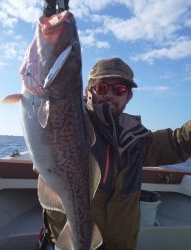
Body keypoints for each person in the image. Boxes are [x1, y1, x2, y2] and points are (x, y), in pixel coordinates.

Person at [37, 57, 191, 250]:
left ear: (128, 97)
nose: (110, 95)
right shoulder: (70, 127)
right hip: (67, 244)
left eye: (119, 90)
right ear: (88, 91)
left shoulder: (136, 139)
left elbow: (178, 143)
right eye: (102, 88)